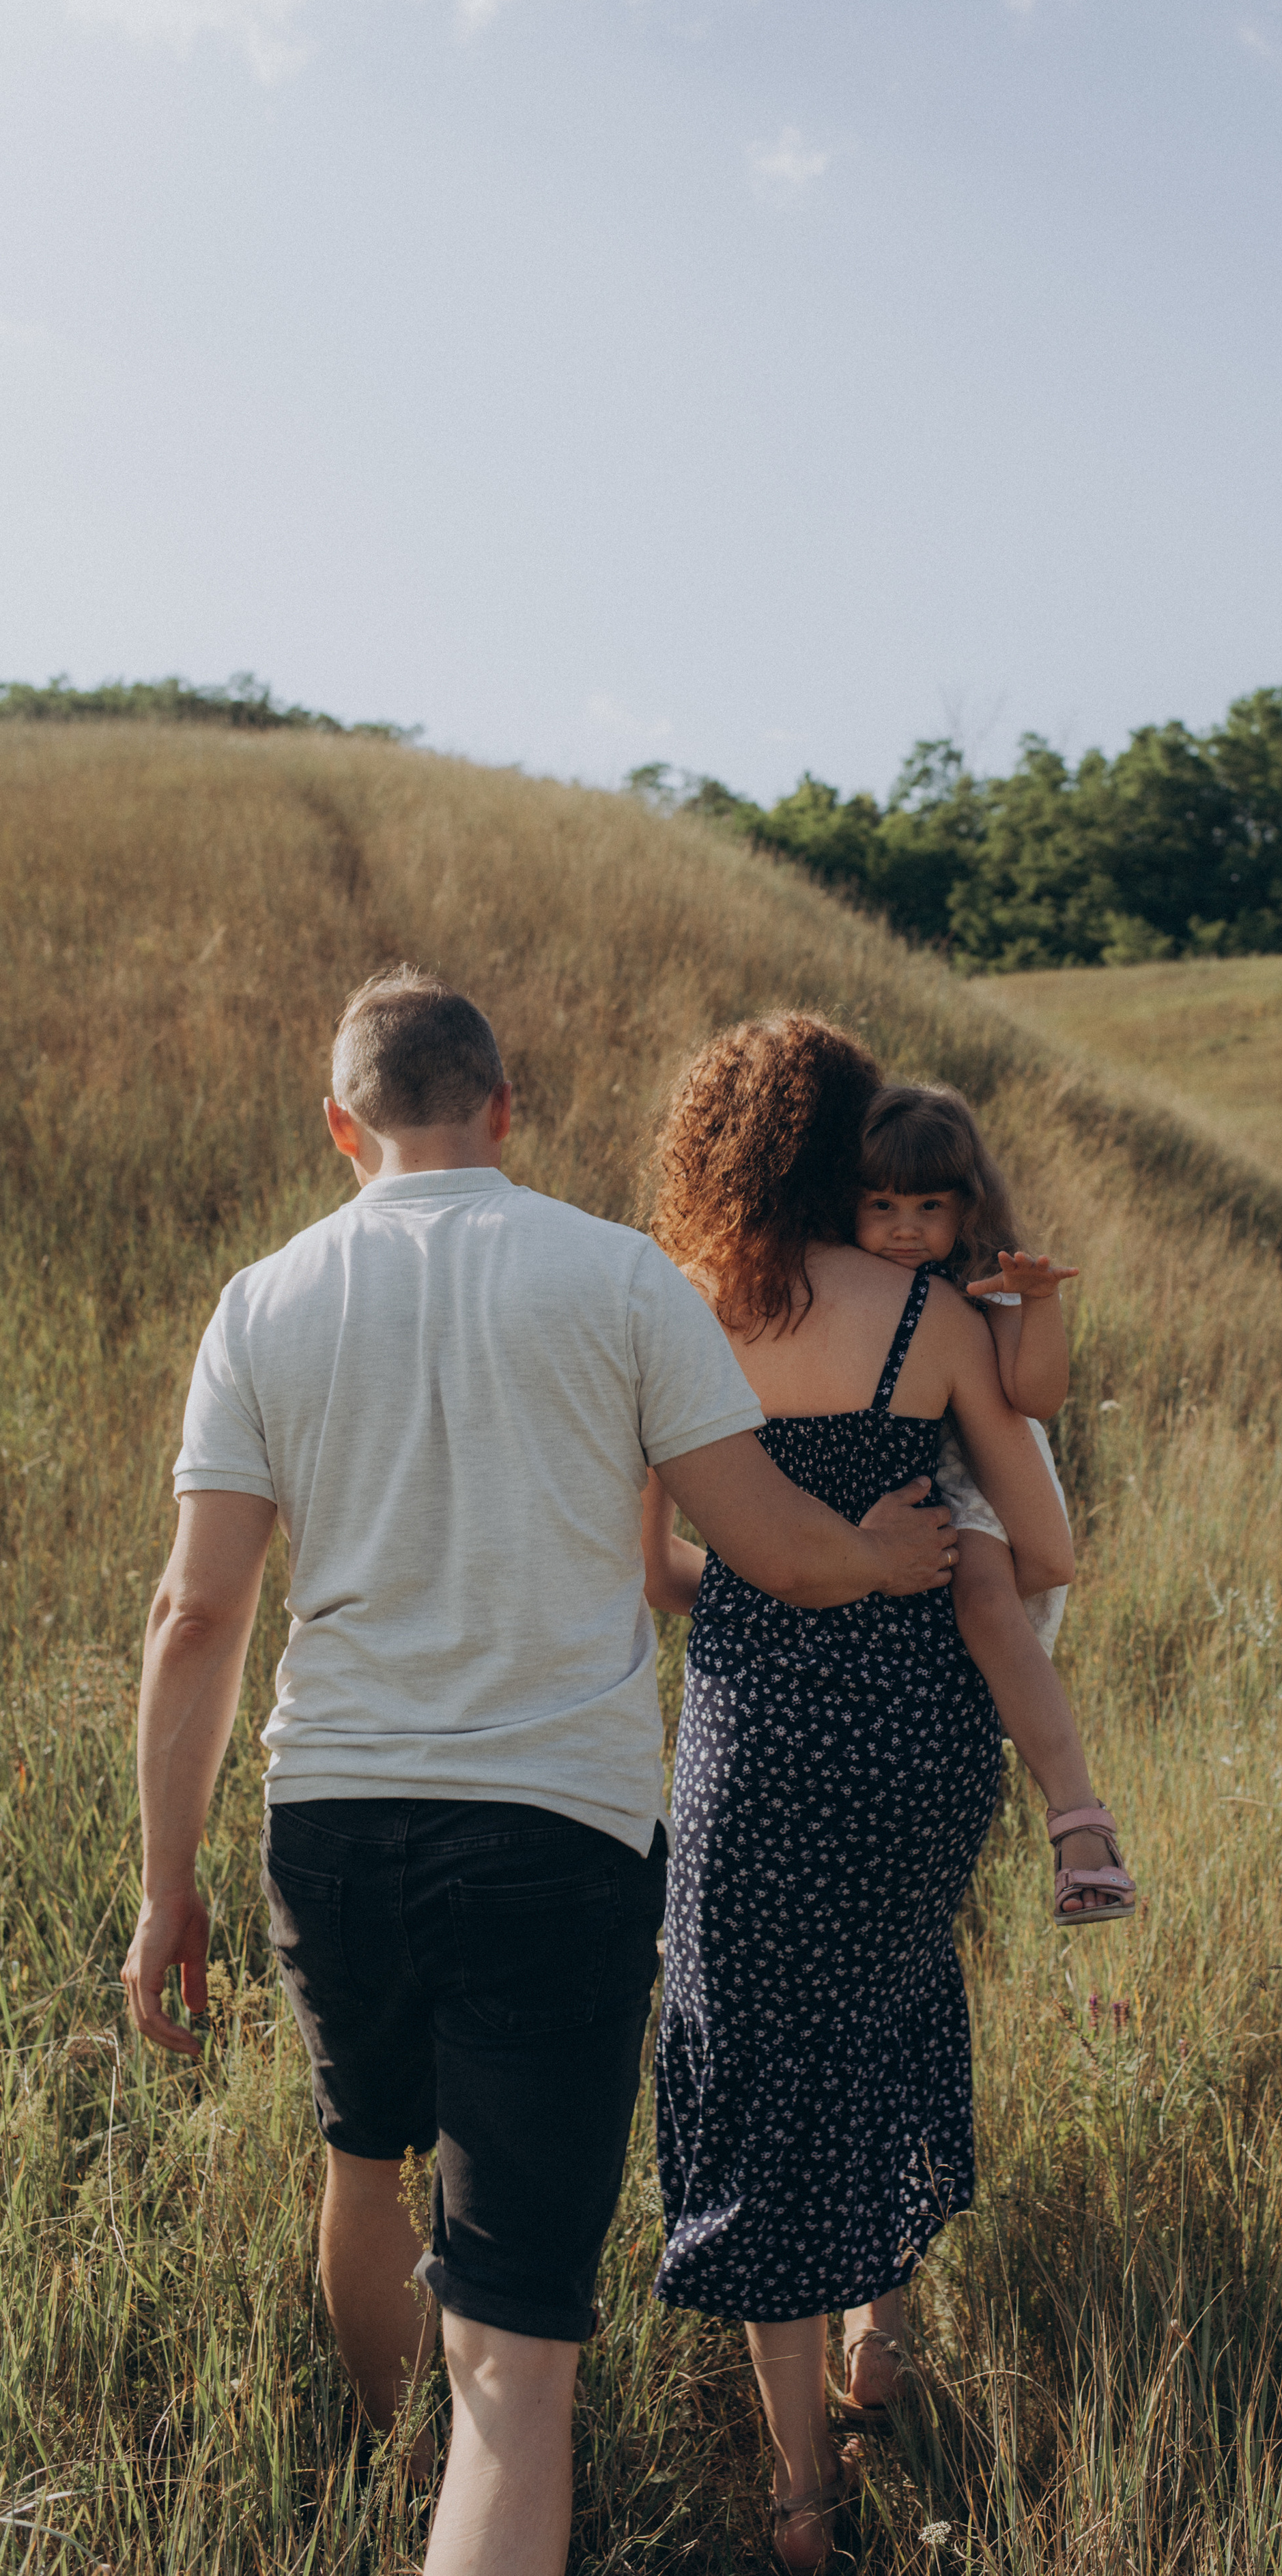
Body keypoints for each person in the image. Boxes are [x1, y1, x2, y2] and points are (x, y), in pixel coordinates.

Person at [120, 968, 958, 2576]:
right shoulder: (619, 1276)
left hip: (333, 1821)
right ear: (505, 1108)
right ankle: (468, 2482)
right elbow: (771, 1550)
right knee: (517, 2362)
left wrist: (171, 1884)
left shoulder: (262, 1299)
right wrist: (881, 1550)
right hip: (556, 1835)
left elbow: (197, 1609)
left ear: (337, 1125)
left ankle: (396, 2479)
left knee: (363, 2164)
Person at [639, 1011, 1075, 2573]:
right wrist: (897, 1565)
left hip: (753, 1741)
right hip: (921, 1739)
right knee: (891, 2002)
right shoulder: (933, 1314)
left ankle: (799, 2497)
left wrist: (770, 1583)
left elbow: (651, 1573)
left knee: (753, 2060)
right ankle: (881, 2346)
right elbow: (1043, 1553)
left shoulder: (672, 1308)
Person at [853, 1082, 1135, 1925]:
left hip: (977, 1473)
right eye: (881, 1204)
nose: (905, 1226)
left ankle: (1079, 1822)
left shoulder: (988, 1278)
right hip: (891, 1486)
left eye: (928, 1205)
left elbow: (1034, 1394)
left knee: (980, 1592)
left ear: (967, 1204)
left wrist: (1036, 1304)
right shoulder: (842, 1279)